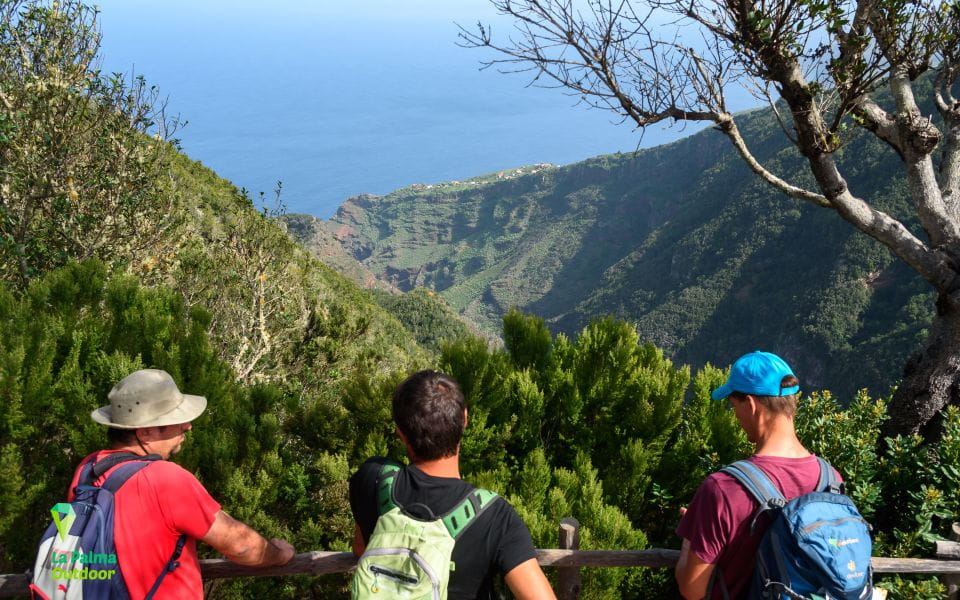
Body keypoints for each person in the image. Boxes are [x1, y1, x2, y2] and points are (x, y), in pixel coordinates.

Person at [75, 368, 295, 599]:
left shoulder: (89, 468)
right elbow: (241, 545)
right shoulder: (164, 479)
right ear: (145, 433)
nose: (187, 426)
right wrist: (280, 554)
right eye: (174, 420)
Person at [349, 370, 556, 600]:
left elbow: (361, 549)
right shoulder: (495, 517)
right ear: (465, 419)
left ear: (400, 433)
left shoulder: (372, 478)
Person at [674, 351, 840, 600]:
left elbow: (692, 590)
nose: (736, 416)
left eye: (734, 406)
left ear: (751, 405)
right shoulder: (832, 480)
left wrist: (690, 537)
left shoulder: (722, 488)